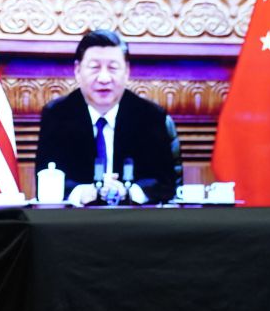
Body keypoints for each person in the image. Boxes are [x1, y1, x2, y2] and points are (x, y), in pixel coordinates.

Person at [35, 30, 180, 205]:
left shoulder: (149, 116)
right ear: (77, 70)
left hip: (136, 223)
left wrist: (128, 192)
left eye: (113, 68)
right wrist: (81, 192)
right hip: (76, 223)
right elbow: (47, 178)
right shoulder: (57, 115)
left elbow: (164, 182)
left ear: (126, 72)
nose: (104, 78)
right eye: (95, 67)